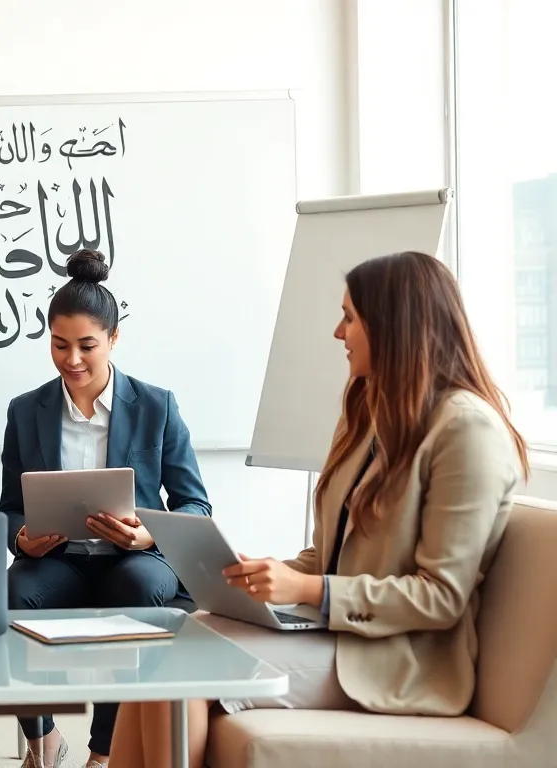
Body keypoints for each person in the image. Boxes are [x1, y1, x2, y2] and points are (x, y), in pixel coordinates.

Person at [107, 250, 528, 768]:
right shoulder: (369, 414)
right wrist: (267, 572)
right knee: (164, 649)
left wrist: (308, 589)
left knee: (187, 668)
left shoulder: (468, 431)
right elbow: (331, 554)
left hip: (395, 661)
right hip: (338, 636)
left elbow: (440, 597)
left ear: (395, 326)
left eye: (350, 317)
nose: (337, 332)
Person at [0, 249, 212, 768]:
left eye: (87, 346)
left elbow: (194, 503)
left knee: (138, 588)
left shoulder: (156, 406)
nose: (72, 360)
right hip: (58, 561)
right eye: (59, 345)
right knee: (11, 591)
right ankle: (43, 739)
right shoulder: (27, 411)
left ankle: (103, 751)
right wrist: (22, 539)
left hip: (133, 560)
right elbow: (9, 509)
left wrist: (148, 535)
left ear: (114, 340)